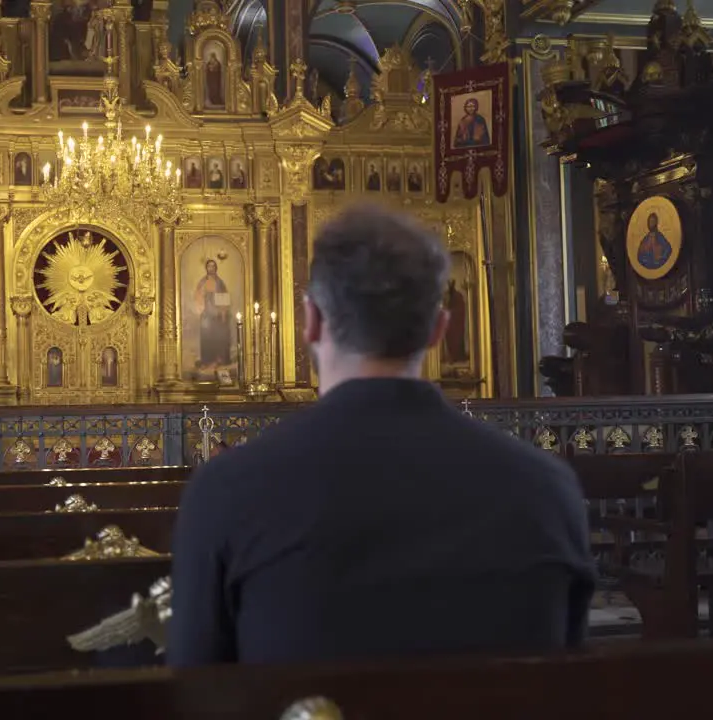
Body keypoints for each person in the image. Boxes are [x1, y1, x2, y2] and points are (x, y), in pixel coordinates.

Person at [168, 204, 594, 667]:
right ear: (438, 329)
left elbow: (197, 687)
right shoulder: (547, 487)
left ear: (310, 320)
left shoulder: (229, 490)